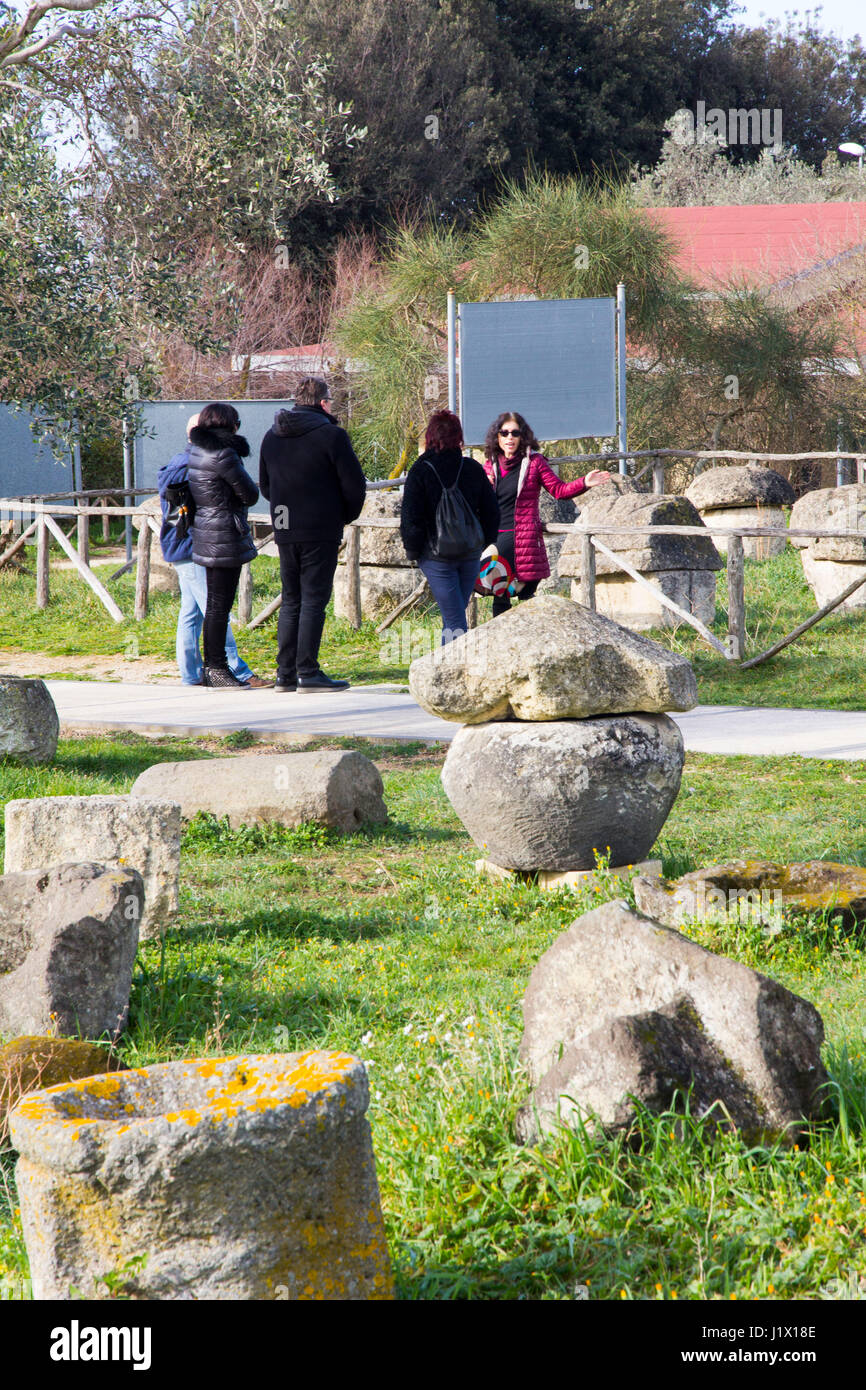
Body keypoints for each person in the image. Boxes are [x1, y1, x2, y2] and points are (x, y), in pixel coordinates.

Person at [259, 376, 366, 692]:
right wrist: (343, 516)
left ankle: (285, 675)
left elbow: (266, 486)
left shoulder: (270, 436)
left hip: (284, 525)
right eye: (330, 400)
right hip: (320, 527)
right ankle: (308, 672)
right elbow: (354, 486)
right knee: (314, 599)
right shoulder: (332, 436)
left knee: (292, 598)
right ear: (322, 403)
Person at [158, 414, 271, 688]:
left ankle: (191, 674)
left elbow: (172, 512)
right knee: (215, 608)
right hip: (193, 544)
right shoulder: (195, 463)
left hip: (179, 541)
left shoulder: (178, 462)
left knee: (191, 613)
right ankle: (237, 671)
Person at [482, 412, 610, 616]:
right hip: (495, 534)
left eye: (515, 433)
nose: (509, 438)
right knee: (500, 597)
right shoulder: (490, 465)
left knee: (521, 594)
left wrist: (584, 482)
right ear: (497, 437)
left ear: (523, 437)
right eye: (504, 433)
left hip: (521, 536)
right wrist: (483, 487)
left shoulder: (535, 462)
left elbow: (559, 490)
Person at [400, 409, 500, 643]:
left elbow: (411, 517)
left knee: (454, 619)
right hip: (469, 553)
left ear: (430, 437)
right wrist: (484, 542)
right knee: (455, 616)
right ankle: (449, 672)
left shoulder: (420, 471)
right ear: (459, 437)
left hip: (435, 557)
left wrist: (413, 551)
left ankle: (452, 674)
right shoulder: (472, 468)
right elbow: (491, 510)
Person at [186, 402, 260, 689]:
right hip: (225, 536)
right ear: (229, 425)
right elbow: (249, 494)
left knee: (213, 605)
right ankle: (215, 668)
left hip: (205, 532)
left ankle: (212, 668)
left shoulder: (197, 450)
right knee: (219, 607)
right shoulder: (224, 454)